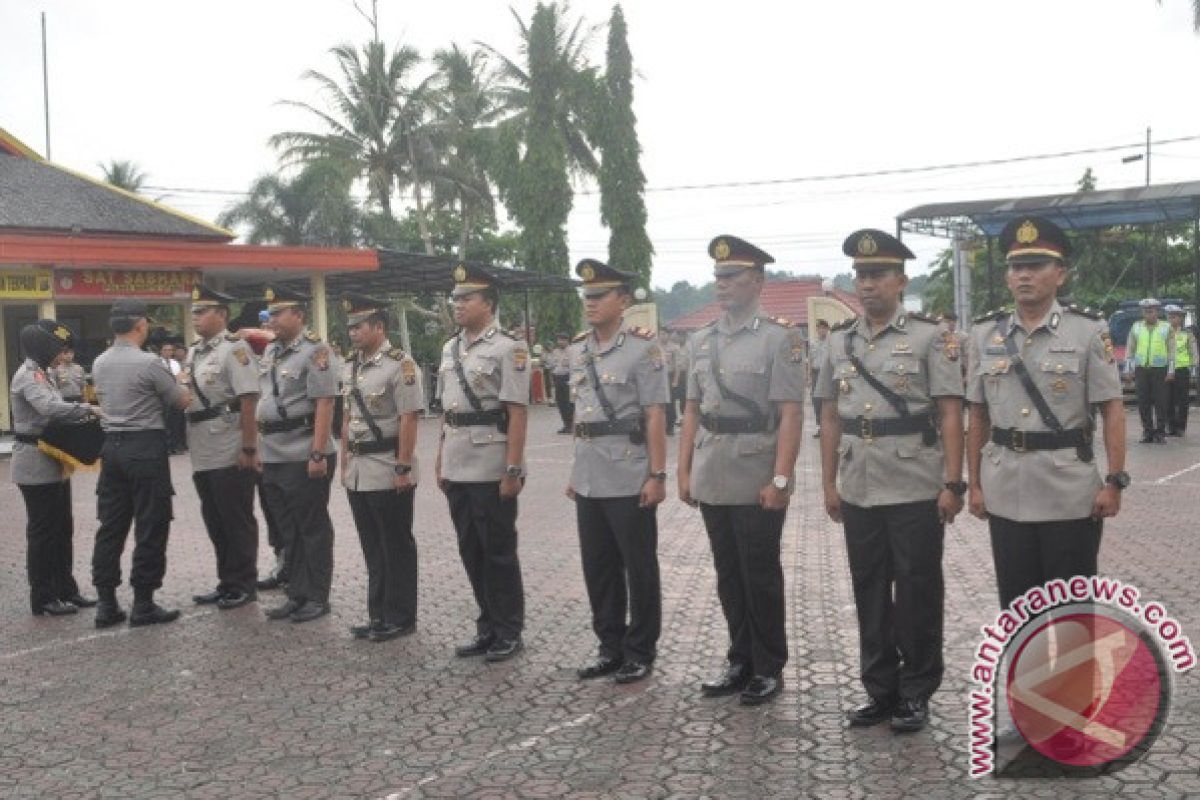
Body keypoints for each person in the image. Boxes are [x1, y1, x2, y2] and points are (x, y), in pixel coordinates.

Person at [816, 230, 965, 733]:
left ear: (900, 280)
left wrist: (953, 482)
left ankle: (916, 691)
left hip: (915, 484)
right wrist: (828, 484)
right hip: (859, 484)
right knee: (870, 589)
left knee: (918, 589)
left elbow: (949, 413)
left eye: (878, 274)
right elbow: (830, 416)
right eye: (860, 275)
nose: (867, 284)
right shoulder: (839, 341)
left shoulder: (929, 338)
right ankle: (880, 690)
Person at [967, 216, 1127, 610]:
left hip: (1069, 494)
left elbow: (1113, 409)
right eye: (1016, 267)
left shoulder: (1088, 331)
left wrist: (1115, 481)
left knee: (1072, 615)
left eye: (1036, 266)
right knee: (1018, 612)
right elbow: (978, 416)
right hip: (1005, 491)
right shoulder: (984, 334)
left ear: (1060, 274)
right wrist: (975, 484)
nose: (1023, 275)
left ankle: (1071, 677)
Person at [678, 235, 806, 706]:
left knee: (760, 574)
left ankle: (768, 666)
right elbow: (691, 410)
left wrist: (780, 479)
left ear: (758, 280)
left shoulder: (780, 339)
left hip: (756, 472)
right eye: (718, 277)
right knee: (728, 573)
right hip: (713, 467)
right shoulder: (699, 340)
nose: (722, 285)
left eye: (732, 276)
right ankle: (739, 659)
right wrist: (684, 468)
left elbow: (790, 413)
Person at [567, 259, 669, 685]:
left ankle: (640, 649)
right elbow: (581, 416)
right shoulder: (578, 350)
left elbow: (655, 415)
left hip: (629, 474)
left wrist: (657, 475)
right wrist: (575, 471)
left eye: (599, 296)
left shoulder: (643, 348)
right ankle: (609, 646)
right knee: (599, 567)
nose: (590, 304)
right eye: (586, 297)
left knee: (638, 567)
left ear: (623, 300)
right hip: (590, 474)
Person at [435, 263, 530, 662]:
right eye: (455, 298)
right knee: (470, 549)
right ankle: (487, 625)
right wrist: (440, 456)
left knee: (498, 551)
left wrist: (513, 468)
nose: (457, 304)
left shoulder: (509, 348)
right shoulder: (449, 348)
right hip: (457, 461)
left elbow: (517, 413)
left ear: (488, 304)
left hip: (491, 463)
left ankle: (509, 629)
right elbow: (446, 411)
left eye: (466, 298)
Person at [91, 299, 193, 628]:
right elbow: (181, 401)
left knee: (111, 527)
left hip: (112, 448)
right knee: (151, 523)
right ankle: (143, 602)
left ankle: (106, 603)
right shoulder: (150, 363)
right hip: (145, 447)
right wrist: (186, 382)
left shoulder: (99, 361)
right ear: (140, 326)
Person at [340, 293, 425, 642]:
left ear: (379, 327)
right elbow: (346, 416)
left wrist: (403, 466)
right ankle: (378, 615)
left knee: (395, 547)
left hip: (388, 466)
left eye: (359, 326)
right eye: (350, 327)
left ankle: (401, 617)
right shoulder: (351, 365)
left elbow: (408, 419)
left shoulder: (400, 365)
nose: (353, 332)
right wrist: (344, 460)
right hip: (359, 470)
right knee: (372, 548)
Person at [256, 286, 341, 624]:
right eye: (270, 314)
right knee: (288, 529)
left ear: (299, 316)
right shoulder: (272, 352)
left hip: (303, 449)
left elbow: (325, 403)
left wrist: (318, 452)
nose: (272, 319)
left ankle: (317, 596)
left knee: (312, 527)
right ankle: (297, 593)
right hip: (274, 452)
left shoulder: (315, 351)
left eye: (279, 313)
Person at [11, 321, 102, 616]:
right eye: (56, 347)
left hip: (51, 459)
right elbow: (50, 409)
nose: (61, 353)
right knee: (43, 533)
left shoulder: (44, 373)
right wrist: (89, 409)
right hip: (34, 463)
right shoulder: (28, 376)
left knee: (63, 529)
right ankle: (43, 597)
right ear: (41, 346)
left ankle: (66, 589)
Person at [183, 285, 262, 611]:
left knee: (235, 516)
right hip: (201, 443)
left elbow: (248, 399)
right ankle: (226, 581)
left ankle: (244, 583)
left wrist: (248, 446)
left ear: (222, 315)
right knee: (214, 517)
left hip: (229, 440)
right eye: (194, 313)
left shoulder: (236, 349)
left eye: (202, 312)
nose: (196, 318)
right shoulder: (194, 352)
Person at [1126, 297, 1174, 443]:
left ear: (1157, 312)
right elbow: (1130, 349)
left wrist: (1171, 371)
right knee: (1143, 401)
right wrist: (1129, 370)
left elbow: (1172, 351)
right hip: (1141, 369)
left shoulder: (1166, 327)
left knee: (1161, 401)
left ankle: (1160, 432)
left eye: (1151, 311)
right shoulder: (1136, 327)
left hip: (1160, 369)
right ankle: (1147, 431)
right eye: (1145, 312)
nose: (1148, 314)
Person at [1165, 304, 1197, 436]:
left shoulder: (1187, 333)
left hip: (1182, 369)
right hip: (1166, 370)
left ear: (1181, 318)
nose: (1172, 319)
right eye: (1170, 317)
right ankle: (1170, 427)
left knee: (1182, 400)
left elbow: (1193, 351)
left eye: (1175, 317)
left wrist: (1194, 367)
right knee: (1168, 399)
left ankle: (1181, 427)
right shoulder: (1164, 333)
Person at [548, 332, 574, 434]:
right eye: (559, 340)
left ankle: (571, 425)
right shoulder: (555, 352)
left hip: (568, 378)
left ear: (567, 341)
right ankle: (566, 425)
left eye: (562, 340)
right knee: (560, 403)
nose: (560, 342)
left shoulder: (572, 351)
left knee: (569, 403)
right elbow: (551, 365)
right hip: (557, 378)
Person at [809, 319, 830, 438]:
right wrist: (808, 377)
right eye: (819, 328)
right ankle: (821, 427)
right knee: (816, 401)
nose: (821, 330)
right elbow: (810, 360)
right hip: (816, 373)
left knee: (827, 400)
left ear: (827, 329)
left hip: (827, 373)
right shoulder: (813, 343)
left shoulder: (831, 342)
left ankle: (828, 427)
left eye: (823, 328)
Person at [658, 329, 680, 434]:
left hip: (669, 376)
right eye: (661, 334)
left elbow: (677, 366)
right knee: (659, 403)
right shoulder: (653, 347)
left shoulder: (674, 348)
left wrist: (675, 380)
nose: (663, 336)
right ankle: (661, 426)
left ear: (669, 335)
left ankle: (670, 426)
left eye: (665, 334)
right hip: (658, 377)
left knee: (670, 403)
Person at [671, 331, 689, 425]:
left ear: (685, 337)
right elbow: (676, 365)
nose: (679, 338)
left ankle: (687, 418)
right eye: (678, 336)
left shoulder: (689, 348)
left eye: (681, 336)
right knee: (677, 398)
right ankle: (681, 418)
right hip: (678, 375)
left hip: (687, 375)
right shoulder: (676, 349)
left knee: (686, 398)